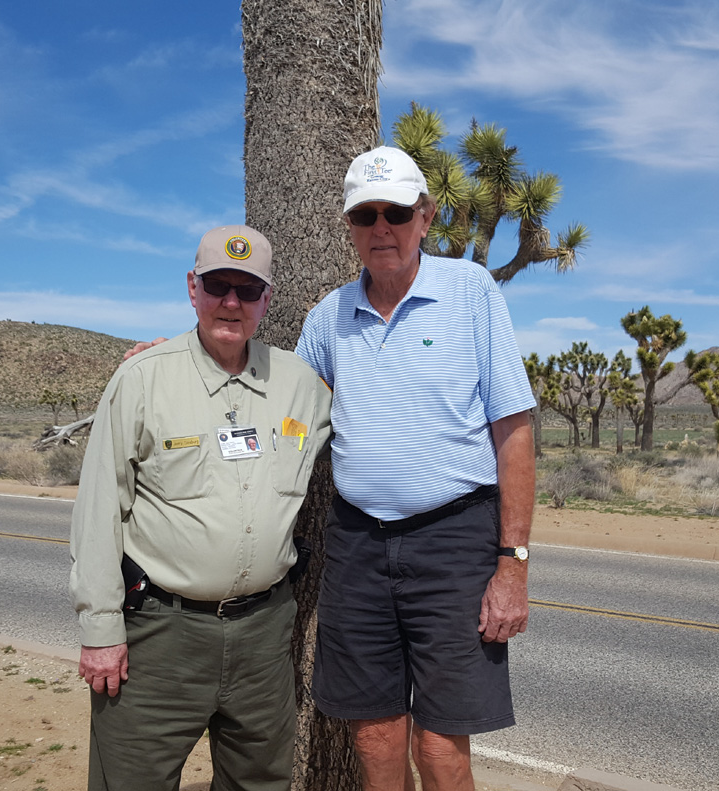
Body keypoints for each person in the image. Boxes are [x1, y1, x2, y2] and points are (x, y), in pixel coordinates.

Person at [127, 146, 536, 791]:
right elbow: (272, 386)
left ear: (425, 217)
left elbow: (513, 431)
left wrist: (512, 563)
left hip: (454, 539)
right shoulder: (331, 314)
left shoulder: (471, 293)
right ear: (349, 226)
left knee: (440, 741)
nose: (381, 228)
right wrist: (183, 355)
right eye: (365, 215)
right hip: (359, 543)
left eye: (396, 212)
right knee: (373, 732)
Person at [70, 224, 332, 791]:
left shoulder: (302, 387)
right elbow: (98, 512)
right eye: (218, 285)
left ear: (267, 300)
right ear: (193, 289)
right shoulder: (143, 378)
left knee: (259, 783)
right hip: (160, 637)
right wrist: (99, 631)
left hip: (264, 636)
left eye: (248, 288)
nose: (231, 302)